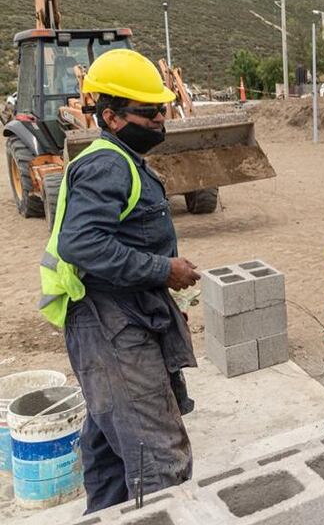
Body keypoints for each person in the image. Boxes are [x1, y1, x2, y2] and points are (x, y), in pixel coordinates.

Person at [38, 48, 201, 513]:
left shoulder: (125, 160)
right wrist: (163, 270)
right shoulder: (107, 163)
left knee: (110, 445)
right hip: (109, 323)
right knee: (159, 459)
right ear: (110, 116)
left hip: (120, 316)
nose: (159, 119)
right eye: (149, 112)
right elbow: (81, 244)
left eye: (162, 109)